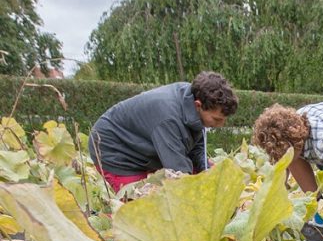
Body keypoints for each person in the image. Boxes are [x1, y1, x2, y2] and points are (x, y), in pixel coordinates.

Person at [88, 71, 238, 192]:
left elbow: (197, 146)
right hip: (113, 149)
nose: (220, 125)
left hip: (142, 145)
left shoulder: (192, 99)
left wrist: (207, 169)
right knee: (137, 206)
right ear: (198, 105)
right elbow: (178, 172)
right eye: (217, 119)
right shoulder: (168, 119)